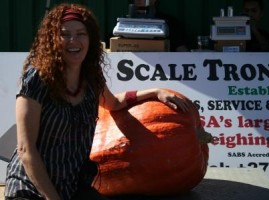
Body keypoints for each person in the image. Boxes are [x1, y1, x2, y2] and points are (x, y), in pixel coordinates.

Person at [4, 3, 190, 200]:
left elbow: (114, 103)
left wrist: (155, 91)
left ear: (90, 38)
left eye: (81, 34)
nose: (73, 40)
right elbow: (26, 150)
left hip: (72, 186)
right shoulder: (37, 78)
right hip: (31, 187)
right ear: (52, 40)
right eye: (65, 34)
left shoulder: (92, 77)